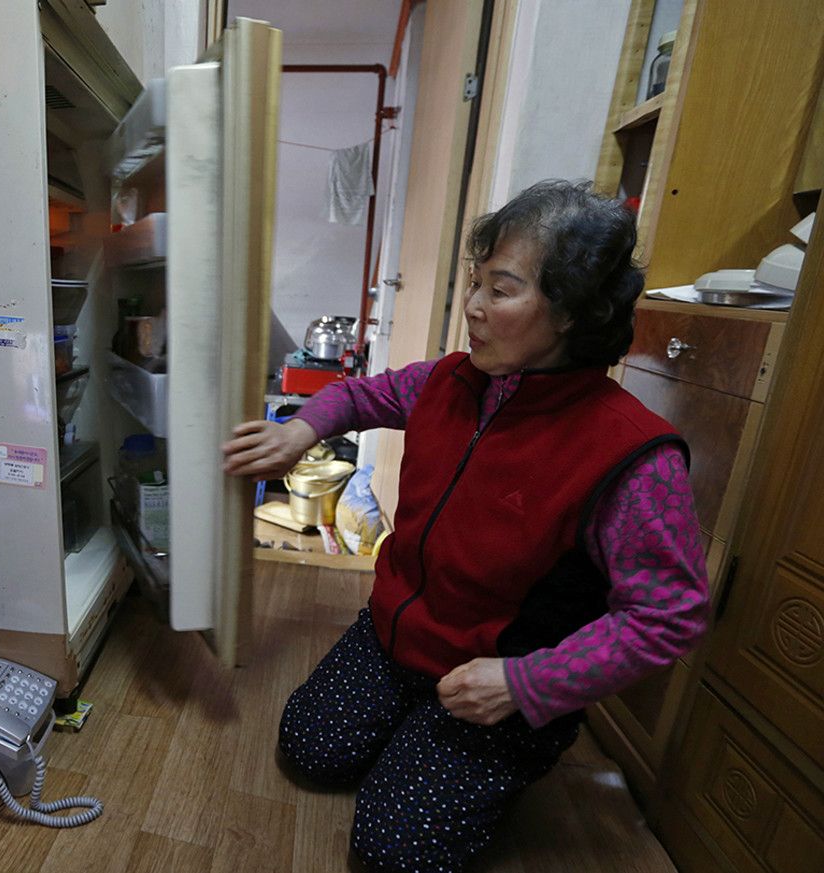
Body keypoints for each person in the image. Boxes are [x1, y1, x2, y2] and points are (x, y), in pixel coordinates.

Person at [222, 180, 709, 873]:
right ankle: (412, 730)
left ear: (572, 311)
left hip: (501, 679)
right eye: (475, 283)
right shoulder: (450, 380)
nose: (473, 306)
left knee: (395, 853)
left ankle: (505, 750)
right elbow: (360, 394)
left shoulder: (632, 454)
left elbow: (669, 616)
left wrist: (527, 683)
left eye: (500, 290)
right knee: (312, 751)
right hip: (397, 638)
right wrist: (299, 429)